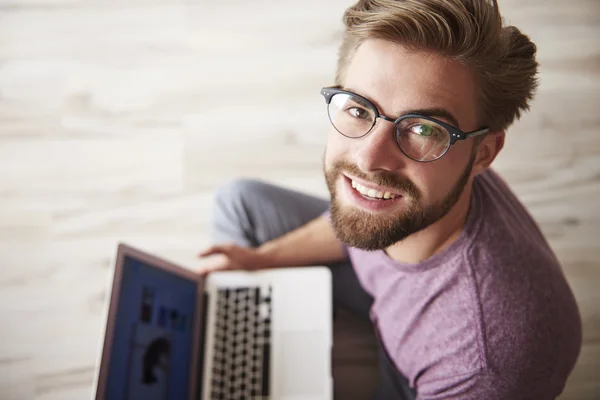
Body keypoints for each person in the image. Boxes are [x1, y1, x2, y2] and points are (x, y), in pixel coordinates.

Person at [197, 0, 582, 398]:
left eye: (423, 128)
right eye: (360, 109)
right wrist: (260, 260)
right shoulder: (417, 190)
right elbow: (357, 207)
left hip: (414, 367)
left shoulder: (483, 363)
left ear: (482, 154)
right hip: (386, 288)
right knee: (239, 200)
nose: (369, 158)